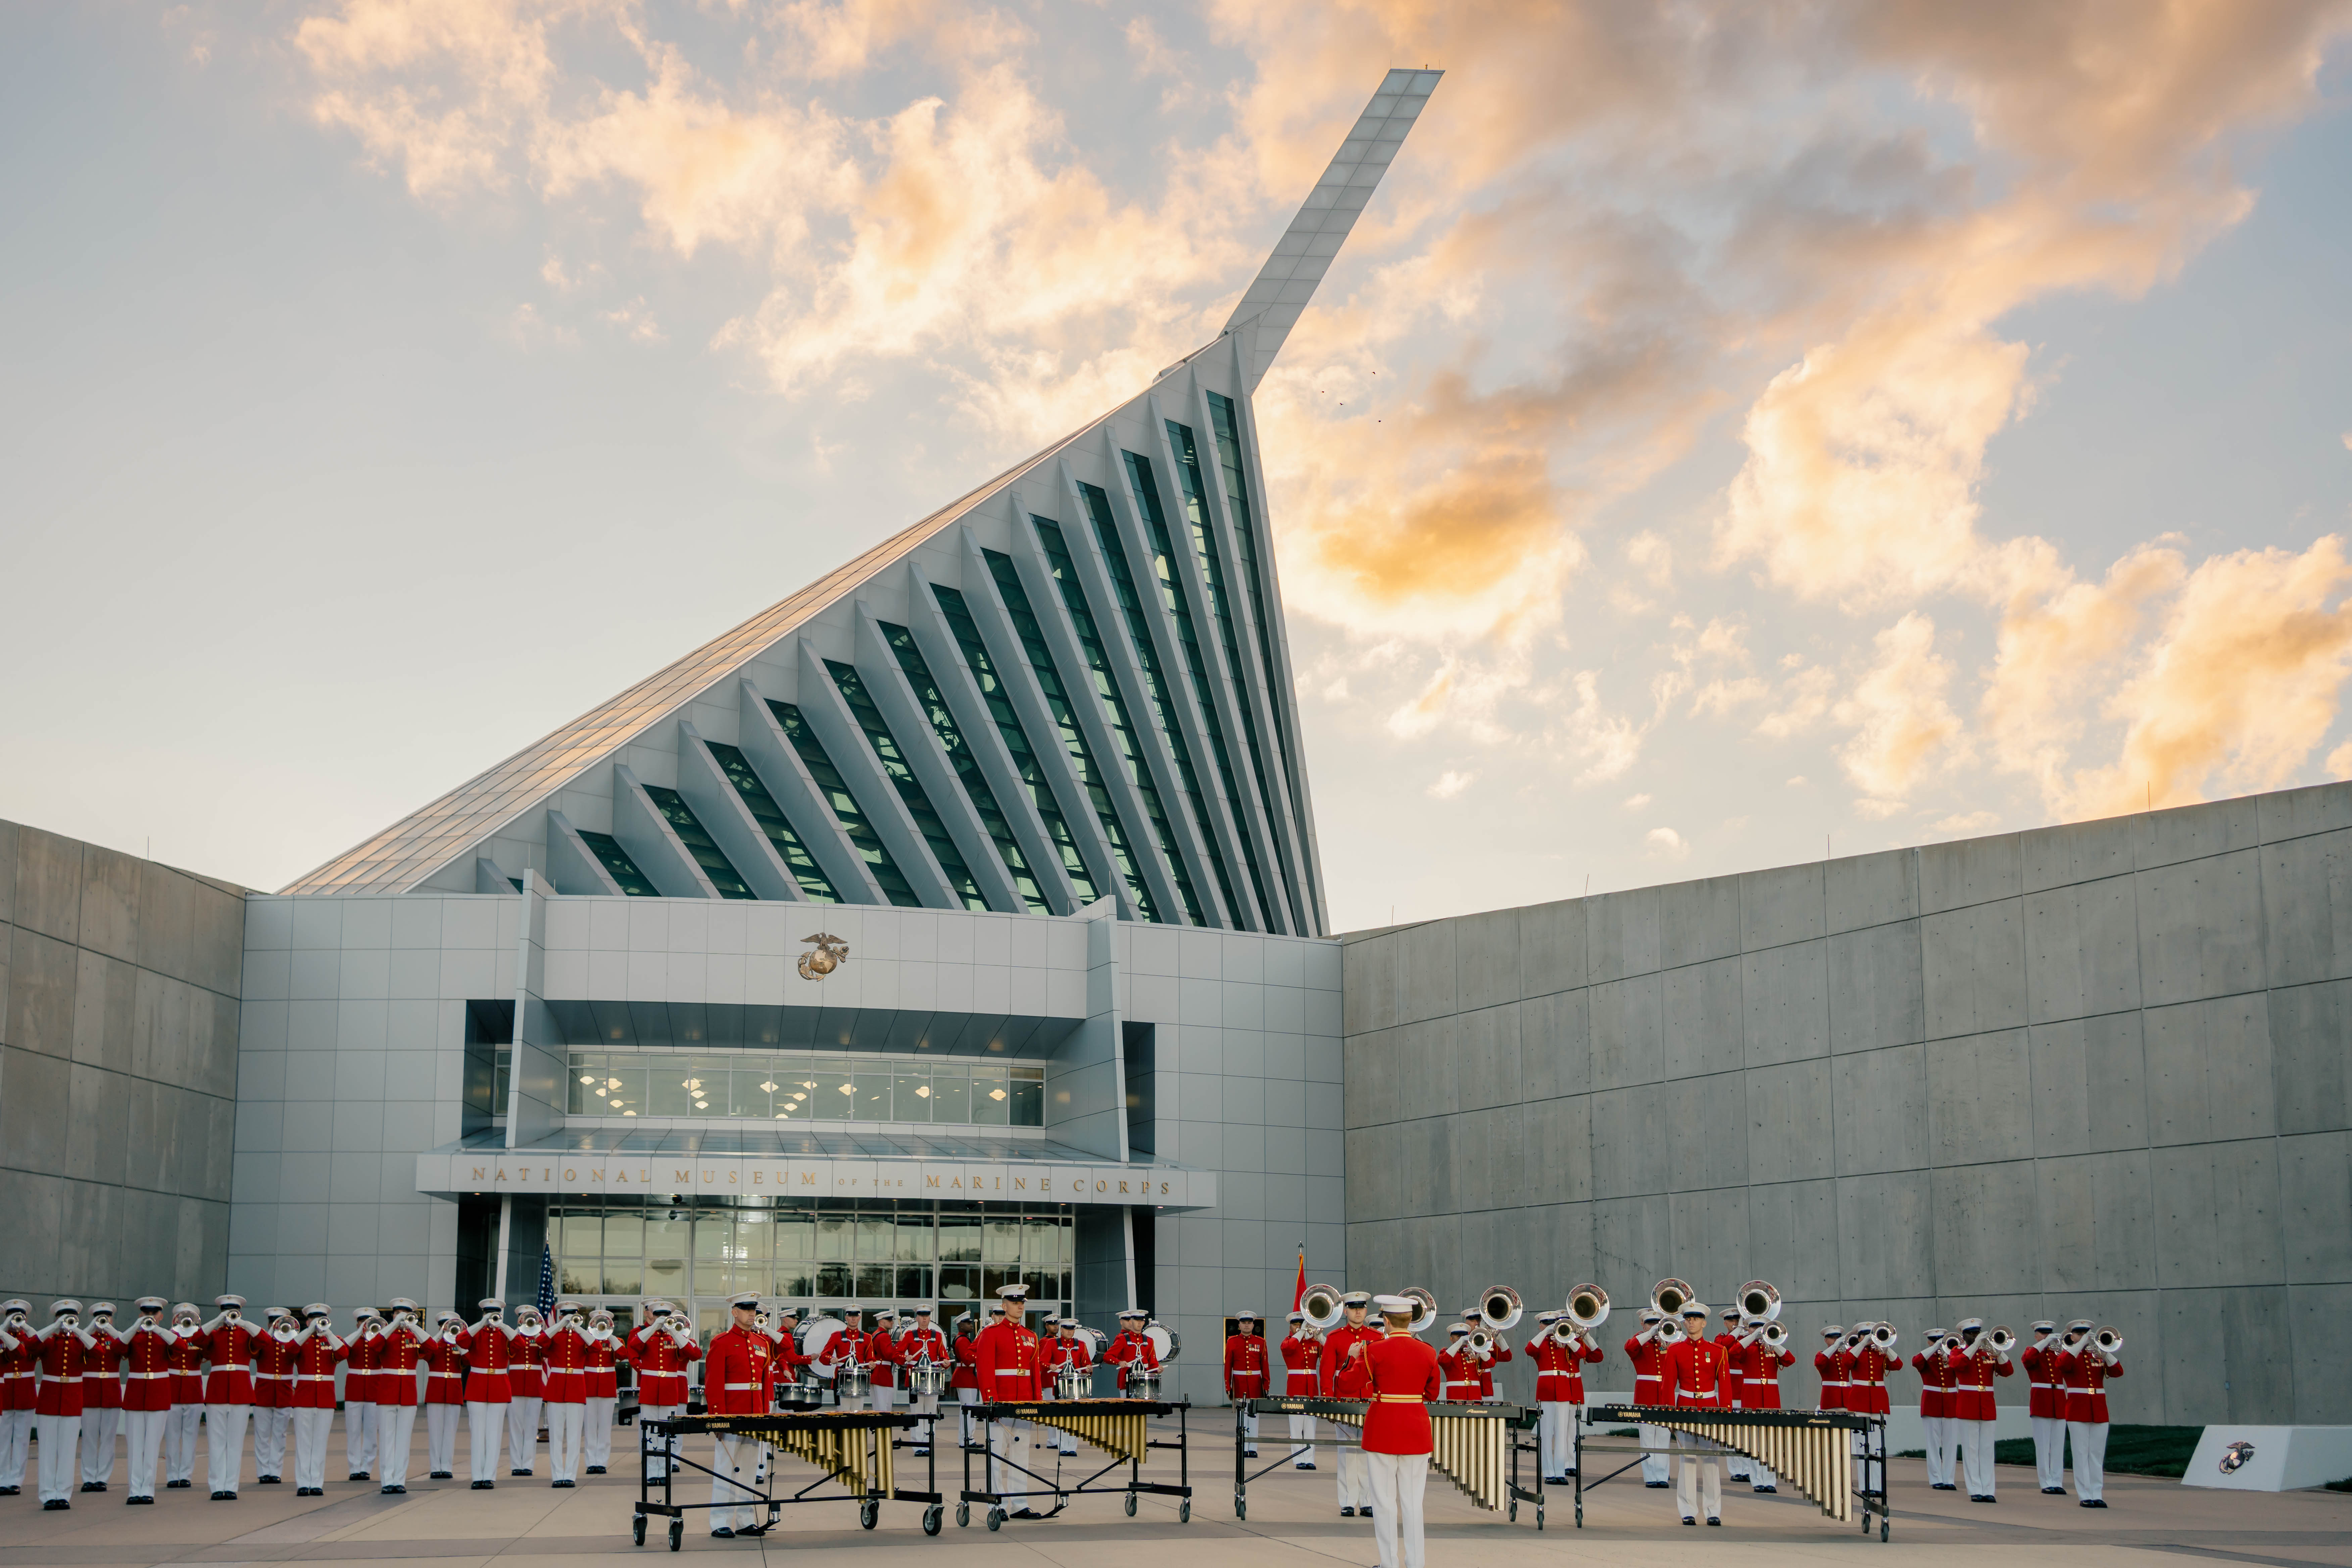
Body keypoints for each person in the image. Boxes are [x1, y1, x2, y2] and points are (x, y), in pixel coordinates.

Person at [1360, 1294, 1441, 1568]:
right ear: (1410, 1320)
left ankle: (1389, 1563)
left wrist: (1352, 1358)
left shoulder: (1374, 1350)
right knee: (1413, 1503)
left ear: (1385, 1320)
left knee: (1384, 1503)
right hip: (1416, 1431)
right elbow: (1432, 1393)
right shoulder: (1429, 1351)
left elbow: (1348, 1385)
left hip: (1382, 1429)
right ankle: (1416, 1563)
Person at [703, 1292, 777, 1538]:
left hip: (755, 1413)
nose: (751, 1315)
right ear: (735, 1312)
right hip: (732, 1413)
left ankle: (746, 1520)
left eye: (753, 1310)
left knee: (748, 1469)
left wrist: (765, 1416)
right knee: (726, 1467)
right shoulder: (722, 1342)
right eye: (746, 1310)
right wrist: (717, 1418)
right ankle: (720, 1521)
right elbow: (714, 1383)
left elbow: (766, 1383)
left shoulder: (761, 1343)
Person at [974, 1283, 1045, 1520]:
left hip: (1024, 1402)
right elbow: (984, 1370)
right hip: (1001, 1401)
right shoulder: (991, 1333)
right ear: (1004, 1307)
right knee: (995, 1453)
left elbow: (1035, 1373)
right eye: (1015, 1303)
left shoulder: (1031, 1336)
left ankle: (1019, 1504)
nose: (1020, 1307)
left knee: (1020, 1454)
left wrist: (1038, 1405)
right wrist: (991, 1402)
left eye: (1022, 1303)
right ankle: (997, 1503)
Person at [1664, 1302, 1729, 1526]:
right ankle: (1688, 1510)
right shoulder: (1674, 1351)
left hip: (1711, 1408)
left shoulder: (1718, 1351)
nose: (1691, 1322)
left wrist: (1726, 1415)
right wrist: (1669, 1415)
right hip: (1685, 1408)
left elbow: (1726, 1387)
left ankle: (1713, 1511)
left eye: (1696, 1318)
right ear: (1684, 1321)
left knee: (1712, 1462)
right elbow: (1668, 1386)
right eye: (1688, 1318)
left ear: (1704, 1322)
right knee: (1688, 1461)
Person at [1319, 1291, 1379, 1518]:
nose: (1357, 1311)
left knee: (1368, 1453)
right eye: (1353, 1308)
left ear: (1366, 1311)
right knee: (1346, 1453)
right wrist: (1328, 1398)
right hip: (1344, 1400)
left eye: (1361, 1308)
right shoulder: (1335, 1337)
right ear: (1345, 1311)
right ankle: (1347, 1501)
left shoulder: (1377, 1336)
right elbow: (1326, 1371)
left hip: (1370, 1400)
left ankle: (1367, 1501)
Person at [1527, 1311, 1604, 1483]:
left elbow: (1583, 1354)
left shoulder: (1566, 1341)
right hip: (1546, 1389)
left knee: (1562, 1434)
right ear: (1540, 1325)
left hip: (1563, 1390)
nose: (1550, 1327)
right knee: (1547, 1434)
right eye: (1546, 1324)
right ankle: (1548, 1473)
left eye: (1552, 1324)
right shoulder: (1541, 1343)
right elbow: (1529, 1350)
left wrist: (1568, 1337)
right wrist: (1545, 1333)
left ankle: (1560, 1471)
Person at [625, 1301, 698, 1481]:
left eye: (665, 1317)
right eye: (658, 1316)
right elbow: (634, 1346)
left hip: (669, 1390)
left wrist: (674, 1331)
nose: (662, 1320)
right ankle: (651, 1473)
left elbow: (695, 1354)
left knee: (667, 1432)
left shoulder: (676, 1337)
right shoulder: (646, 1335)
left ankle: (664, 1472)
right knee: (650, 1432)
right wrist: (653, 1328)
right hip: (650, 1389)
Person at [32, 1301, 94, 1509]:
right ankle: (48, 1494)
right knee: (48, 1451)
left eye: (71, 1318)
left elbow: (99, 1353)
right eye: (64, 1318)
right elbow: (30, 1347)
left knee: (68, 1451)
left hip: (72, 1401)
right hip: (49, 1401)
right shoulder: (50, 1342)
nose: (68, 1322)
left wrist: (79, 1331)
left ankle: (63, 1494)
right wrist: (53, 1328)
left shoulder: (81, 1342)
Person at [198, 1294, 261, 1501]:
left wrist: (242, 1322)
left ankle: (231, 1487)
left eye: (233, 1311)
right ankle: (217, 1487)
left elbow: (266, 1341)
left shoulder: (246, 1333)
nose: (230, 1315)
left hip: (241, 1393)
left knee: (235, 1444)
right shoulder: (215, 1334)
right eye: (226, 1311)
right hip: (217, 1393)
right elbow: (196, 1340)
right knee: (216, 1443)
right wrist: (217, 1321)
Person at [2056, 1321, 2122, 1508]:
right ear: (2073, 1336)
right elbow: (2062, 1364)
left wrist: (2105, 1352)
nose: (2083, 1336)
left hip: (2099, 1410)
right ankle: (2085, 1495)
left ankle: (2097, 1494)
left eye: (2086, 1334)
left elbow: (2118, 1372)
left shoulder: (2098, 1355)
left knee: (2096, 1455)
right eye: (2079, 1334)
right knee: (2081, 1454)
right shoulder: (2069, 1355)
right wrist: (2079, 1345)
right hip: (2078, 1410)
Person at [117, 1298, 177, 1504]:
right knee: (135, 1447)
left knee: (152, 1446)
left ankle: (148, 1490)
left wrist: (158, 1330)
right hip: (136, 1395)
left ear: (161, 1315)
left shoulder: (167, 1336)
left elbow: (181, 1348)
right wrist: (137, 1326)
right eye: (147, 1313)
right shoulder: (133, 1336)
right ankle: (135, 1490)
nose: (151, 1316)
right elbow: (117, 1348)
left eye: (155, 1313)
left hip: (159, 1394)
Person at [1947, 1319, 2012, 1502]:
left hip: (1987, 1405)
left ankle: (1989, 1490)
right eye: (1972, 1333)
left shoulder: (1988, 1353)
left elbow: (2008, 1371)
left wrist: (1998, 1351)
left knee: (1987, 1450)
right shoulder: (1958, 1351)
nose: (1975, 1336)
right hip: (1968, 1405)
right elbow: (1957, 1365)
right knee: (1971, 1449)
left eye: (1978, 1333)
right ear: (1964, 1336)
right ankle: (1975, 1489)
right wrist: (1975, 1346)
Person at [457, 1297, 517, 1489]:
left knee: (494, 1434)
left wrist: (503, 1325)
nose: (491, 1318)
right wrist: (481, 1324)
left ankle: (489, 1476)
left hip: (499, 1386)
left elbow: (521, 1345)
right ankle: (477, 1477)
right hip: (477, 1386)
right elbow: (461, 1340)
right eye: (488, 1314)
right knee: (478, 1434)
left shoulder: (505, 1334)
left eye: (495, 1314)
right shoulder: (476, 1333)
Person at [289, 1304, 347, 1496]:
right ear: (307, 1321)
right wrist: (308, 1331)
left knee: (320, 1443)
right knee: (304, 1443)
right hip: (304, 1396)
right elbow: (290, 1350)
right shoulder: (302, 1340)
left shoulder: (334, 1340)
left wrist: (328, 1333)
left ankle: (317, 1483)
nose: (316, 1322)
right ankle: (303, 1483)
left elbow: (344, 1353)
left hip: (325, 1397)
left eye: (320, 1319)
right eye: (312, 1319)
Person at [1731, 1318, 1793, 1493]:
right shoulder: (1747, 1348)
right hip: (1752, 1398)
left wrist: (1775, 1343)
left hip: (1772, 1399)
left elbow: (1790, 1360)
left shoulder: (1774, 1348)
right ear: (1749, 1329)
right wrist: (1752, 1337)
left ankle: (1770, 1481)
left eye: (1761, 1328)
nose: (1759, 1331)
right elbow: (1734, 1353)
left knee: (1771, 1443)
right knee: (1754, 1443)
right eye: (1755, 1327)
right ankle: (1757, 1480)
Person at [374, 1299, 428, 1493]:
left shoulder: (415, 1336)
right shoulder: (386, 1335)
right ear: (393, 1315)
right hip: (388, 1393)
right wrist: (393, 1326)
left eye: (406, 1313)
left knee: (403, 1441)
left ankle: (400, 1481)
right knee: (388, 1440)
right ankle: (387, 1481)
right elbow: (374, 1345)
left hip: (408, 1394)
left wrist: (415, 1327)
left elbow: (432, 1348)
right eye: (399, 1313)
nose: (403, 1316)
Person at [541, 1301, 591, 1488]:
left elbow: (595, 1347)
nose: (569, 1319)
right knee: (555, 1437)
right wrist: (559, 1326)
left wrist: (579, 1329)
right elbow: (541, 1342)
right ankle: (557, 1476)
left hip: (576, 1390)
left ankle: (570, 1475)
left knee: (574, 1437)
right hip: (556, 1390)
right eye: (566, 1315)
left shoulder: (582, 1336)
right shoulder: (555, 1334)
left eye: (573, 1315)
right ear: (560, 1316)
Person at [78, 1303, 124, 1494]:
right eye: (99, 1317)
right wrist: (91, 1328)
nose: (103, 1320)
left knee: (108, 1438)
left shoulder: (116, 1337)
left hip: (111, 1392)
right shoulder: (87, 1337)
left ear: (112, 1319)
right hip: (90, 1391)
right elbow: (77, 1343)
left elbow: (126, 1344)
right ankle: (89, 1478)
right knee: (88, 1438)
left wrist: (110, 1329)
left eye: (106, 1317)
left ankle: (102, 1478)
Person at [162, 1303, 207, 1492]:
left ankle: (186, 1475)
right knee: (172, 1436)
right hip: (172, 1388)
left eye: (190, 1317)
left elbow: (207, 1356)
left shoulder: (200, 1337)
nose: (187, 1321)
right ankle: (173, 1476)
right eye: (183, 1317)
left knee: (190, 1437)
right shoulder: (168, 1336)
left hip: (193, 1389)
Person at [1625, 1308, 1672, 1487]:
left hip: (1664, 1395)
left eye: (1656, 1324)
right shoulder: (1640, 1341)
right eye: (1650, 1324)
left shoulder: (1668, 1341)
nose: (1654, 1327)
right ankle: (1650, 1477)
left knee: (1663, 1438)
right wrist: (1651, 1333)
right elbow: (1630, 1348)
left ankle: (1662, 1475)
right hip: (1645, 1395)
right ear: (1643, 1325)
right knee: (1647, 1438)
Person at [250, 1307, 297, 1485]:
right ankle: (263, 1472)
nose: (277, 1326)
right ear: (269, 1324)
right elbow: (254, 1352)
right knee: (262, 1435)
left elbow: (296, 1352)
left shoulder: (291, 1341)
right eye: (273, 1323)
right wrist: (268, 1334)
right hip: (264, 1392)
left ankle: (275, 1471)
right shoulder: (263, 1340)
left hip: (284, 1392)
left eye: (280, 1323)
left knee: (280, 1435)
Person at [420, 1311, 468, 1480]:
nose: (449, 1329)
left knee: (450, 1431)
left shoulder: (459, 1344)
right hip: (436, 1390)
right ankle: (435, 1467)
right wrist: (440, 1335)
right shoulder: (435, 1344)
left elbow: (469, 1360)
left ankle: (446, 1467)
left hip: (454, 1389)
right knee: (435, 1431)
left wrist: (460, 1341)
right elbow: (424, 1353)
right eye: (445, 1325)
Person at [2019, 1321, 2065, 1494]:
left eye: (2049, 1334)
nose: (2047, 1337)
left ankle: (2058, 1481)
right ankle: (2046, 1482)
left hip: (2059, 1401)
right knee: (2043, 1446)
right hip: (2041, 1401)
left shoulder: (2058, 1353)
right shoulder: (2033, 1352)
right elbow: (2028, 1360)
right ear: (2036, 1336)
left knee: (2058, 1446)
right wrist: (2045, 1343)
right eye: (2043, 1334)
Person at [898, 1306, 948, 1456]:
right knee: (917, 1413)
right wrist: (904, 1357)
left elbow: (943, 1356)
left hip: (933, 1379)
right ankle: (918, 1446)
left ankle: (929, 1444)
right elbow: (897, 1354)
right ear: (917, 1318)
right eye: (922, 1316)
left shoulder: (937, 1336)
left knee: (931, 1413)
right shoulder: (909, 1335)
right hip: (915, 1379)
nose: (925, 1319)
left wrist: (946, 1362)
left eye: (927, 1316)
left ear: (930, 1318)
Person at [1912, 1329, 1957, 1490]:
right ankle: (1936, 1479)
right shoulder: (1927, 1357)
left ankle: (1949, 1479)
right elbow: (1916, 1361)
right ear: (1929, 1342)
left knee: (1951, 1445)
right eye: (1935, 1340)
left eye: (1941, 1340)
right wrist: (1934, 1348)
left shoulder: (1953, 1356)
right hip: (1932, 1403)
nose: (1938, 1343)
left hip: (1951, 1402)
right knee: (1933, 1444)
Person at [0, 1300, 38, 1495]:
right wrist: (4, 1328)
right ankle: (2, 1480)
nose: (15, 1320)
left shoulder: (30, 1337)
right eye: (12, 1316)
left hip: (25, 1392)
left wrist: (25, 1327)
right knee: (3, 1440)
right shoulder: (1, 1335)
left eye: (19, 1316)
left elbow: (39, 1346)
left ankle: (16, 1480)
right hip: (6, 1392)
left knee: (22, 1440)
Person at [581, 1307, 623, 1475]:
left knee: (605, 1427)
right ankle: (592, 1462)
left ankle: (602, 1462)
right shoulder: (587, 1340)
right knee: (590, 1427)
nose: (601, 1326)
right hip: (590, 1385)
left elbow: (622, 1354)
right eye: (598, 1323)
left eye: (604, 1323)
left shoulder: (615, 1340)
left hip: (607, 1386)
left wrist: (610, 1335)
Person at [506, 1304, 546, 1477]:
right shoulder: (512, 1336)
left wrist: (539, 1332)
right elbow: (512, 1349)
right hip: (515, 1385)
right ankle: (516, 1464)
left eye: (531, 1318)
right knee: (516, 1428)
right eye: (525, 1318)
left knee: (531, 1428)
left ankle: (528, 1464)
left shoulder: (541, 1336)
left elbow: (548, 1351)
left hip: (535, 1386)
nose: (528, 1322)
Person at [342, 1310, 382, 1482]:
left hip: (375, 1387)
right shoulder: (352, 1338)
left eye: (369, 1321)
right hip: (355, 1388)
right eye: (362, 1321)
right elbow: (342, 1351)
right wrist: (360, 1333)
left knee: (371, 1431)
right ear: (357, 1323)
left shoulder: (380, 1339)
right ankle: (354, 1468)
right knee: (353, 1431)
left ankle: (366, 1468)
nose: (365, 1324)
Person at [1713, 1307, 1751, 1487]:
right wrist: (1738, 1331)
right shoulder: (1721, 1338)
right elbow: (1725, 1347)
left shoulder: (1748, 1339)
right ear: (1725, 1323)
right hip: (1731, 1390)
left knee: (1748, 1434)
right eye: (1731, 1321)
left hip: (1748, 1390)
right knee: (1732, 1435)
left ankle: (1748, 1470)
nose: (1735, 1323)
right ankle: (1736, 1471)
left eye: (1737, 1320)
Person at [1042, 1319, 1091, 1456]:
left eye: (1072, 1329)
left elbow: (1086, 1363)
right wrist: (1050, 1366)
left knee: (1074, 1416)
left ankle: (1072, 1448)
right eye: (1067, 1329)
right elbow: (1042, 1361)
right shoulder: (1052, 1343)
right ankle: (1063, 1446)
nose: (1070, 1331)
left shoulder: (1081, 1345)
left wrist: (1088, 1369)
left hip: (1075, 1385)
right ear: (1062, 1329)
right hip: (1059, 1383)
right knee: (1061, 1415)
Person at [1224, 1311, 1269, 1457]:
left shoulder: (1261, 1342)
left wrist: (1266, 1386)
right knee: (1242, 1417)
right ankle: (1243, 1447)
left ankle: (1253, 1448)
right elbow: (1228, 1366)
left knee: (1254, 1418)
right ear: (1239, 1325)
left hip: (1256, 1384)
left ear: (1253, 1325)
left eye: (1249, 1323)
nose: (1247, 1325)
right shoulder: (1232, 1341)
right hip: (1239, 1382)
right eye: (1244, 1323)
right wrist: (1228, 1386)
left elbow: (1265, 1366)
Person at [1280, 1310, 1320, 1470]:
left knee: (1310, 1427)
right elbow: (1289, 1348)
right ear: (1290, 1326)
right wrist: (1302, 1331)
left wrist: (1320, 1337)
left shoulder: (1314, 1343)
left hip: (1311, 1389)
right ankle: (1298, 1459)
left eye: (1302, 1323)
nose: (1299, 1326)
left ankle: (1310, 1458)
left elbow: (1329, 1353)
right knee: (1296, 1428)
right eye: (1296, 1324)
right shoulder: (1288, 1341)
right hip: (1295, 1389)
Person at [950, 1312, 984, 1449]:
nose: (971, 1326)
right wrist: (982, 1354)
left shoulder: (963, 1339)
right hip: (966, 1375)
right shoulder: (963, 1340)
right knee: (969, 1409)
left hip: (966, 1375)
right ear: (961, 1326)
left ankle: (966, 1438)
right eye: (968, 1324)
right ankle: (968, 1439)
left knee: (967, 1409)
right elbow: (968, 1359)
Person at [1104, 1309, 1158, 1394]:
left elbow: (1153, 1364)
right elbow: (1107, 1357)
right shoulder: (1123, 1339)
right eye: (1136, 1320)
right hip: (1127, 1380)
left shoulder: (1150, 1341)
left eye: (1141, 1321)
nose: (1139, 1323)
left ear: (1144, 1322)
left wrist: (1158, 1369)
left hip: (1145, 1381)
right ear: (1131, 1322)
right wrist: (1119, 1362)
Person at [1436, 1325, 1480, 1402]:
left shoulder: (1473, 1353)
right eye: (1459, 1336)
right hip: (1456, 1394)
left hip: (1475, 1395)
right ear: (1451, 1339)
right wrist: (1460, 1342)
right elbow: (1443, 1361)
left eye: (1464, 1336)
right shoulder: (1446, 1352)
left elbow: (1491, 1363)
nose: (1462, 1338)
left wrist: (1479, 1347)